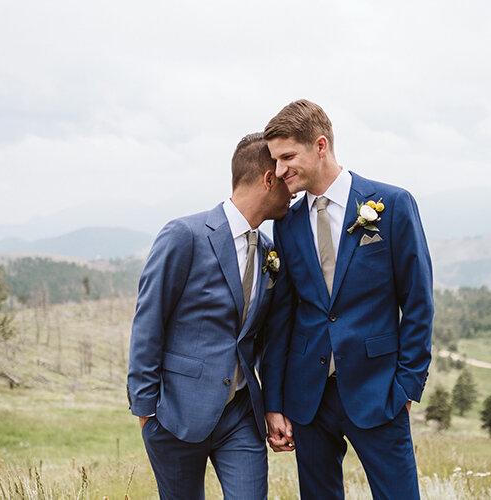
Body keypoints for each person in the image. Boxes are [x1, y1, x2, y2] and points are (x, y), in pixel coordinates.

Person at [261, 100, 433, 499]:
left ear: (320, 146)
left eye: (288, 157)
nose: (280, 170)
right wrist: (275, 401)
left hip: (379, 391)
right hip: (308, 399)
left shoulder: (392, 206)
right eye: (275, 159)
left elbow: (419, 302)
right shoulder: (286, 224)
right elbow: (281, 319)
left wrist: (407, 386)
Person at [127, 132, 293, 499]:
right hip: (175, 415)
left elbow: (265, 338)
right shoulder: (184, 235)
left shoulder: (269, 251)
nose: (293, 188)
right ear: (268, 179)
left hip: (240, 417)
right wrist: (146, 413)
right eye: (285, 177)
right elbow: (148, 321)